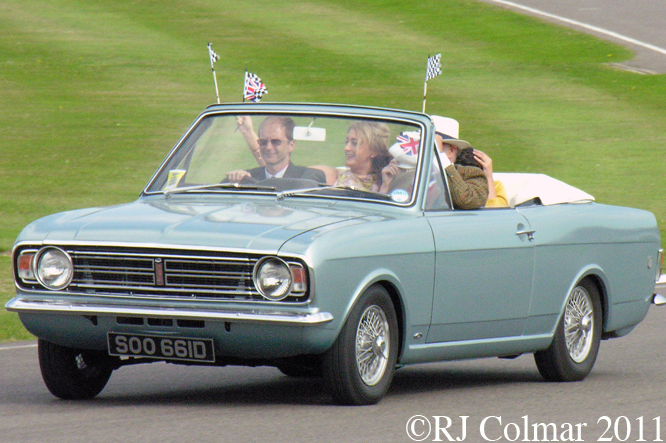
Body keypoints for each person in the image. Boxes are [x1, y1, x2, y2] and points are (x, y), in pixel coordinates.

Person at [226, 116, 326, 183]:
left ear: (291, 145)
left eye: (275, 142)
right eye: (263, 142)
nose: (268, 147)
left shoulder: (308, 178)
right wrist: (238, 180)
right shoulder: (247, 177)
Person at [315, 121, 392, 192]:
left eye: (355, 143)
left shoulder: (387, 182)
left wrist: (385, 186)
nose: (346, 148)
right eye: (347, 141)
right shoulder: (333, 176)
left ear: (374, 151)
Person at [430, 116, 488, 210]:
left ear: (451, 151)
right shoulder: (410, 176)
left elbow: (466, 200)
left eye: (433, 146)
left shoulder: (472, 174)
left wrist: (439, 157)